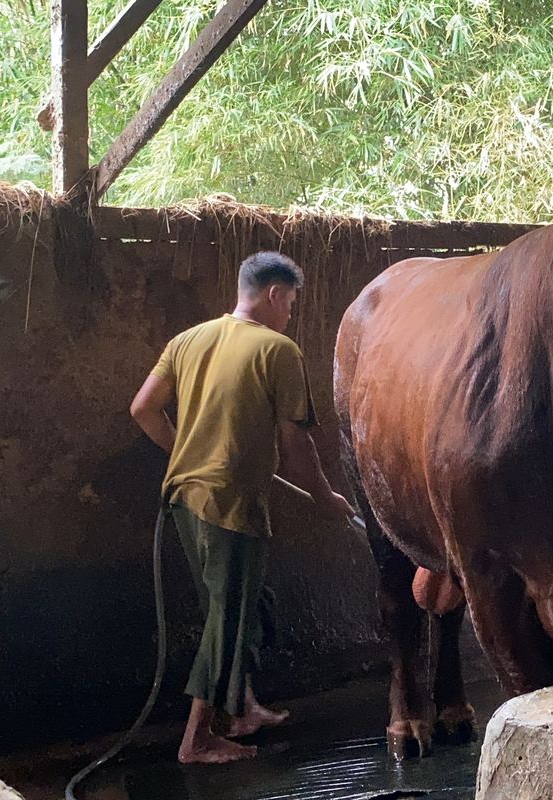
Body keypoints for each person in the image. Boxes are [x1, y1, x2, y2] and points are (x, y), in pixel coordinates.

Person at [130, 251, 355, 764]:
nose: (290, 314)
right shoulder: (278, 349)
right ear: (274, 295)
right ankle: (196, 739)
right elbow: (296, 444)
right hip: (229, 502)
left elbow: (142, 408)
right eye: (290, 303)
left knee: (246, 602)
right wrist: (326, 499)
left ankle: (241, 710)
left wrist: (189, 450)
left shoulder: (188, 340)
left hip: (184, 498)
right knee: (228, 614)